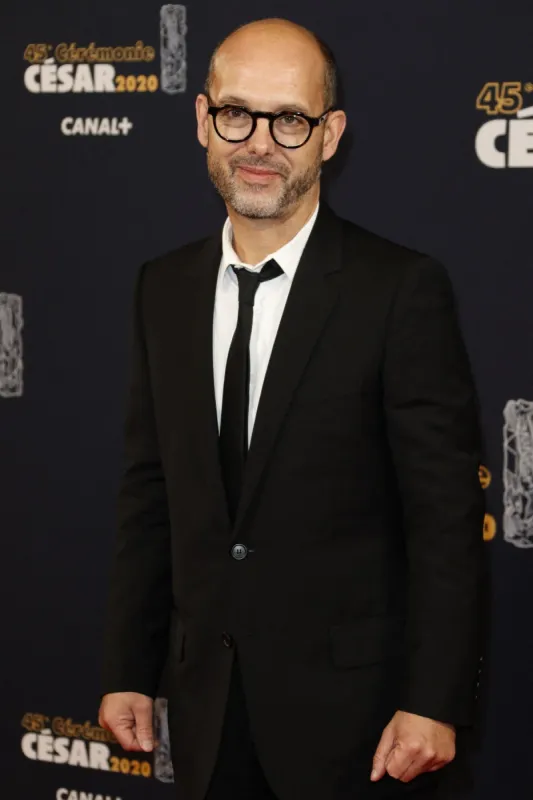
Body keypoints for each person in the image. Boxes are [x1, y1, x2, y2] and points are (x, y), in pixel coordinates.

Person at [98, 17, 488, 800]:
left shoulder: (399, 290)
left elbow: (444, 519)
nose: (259, 143)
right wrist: (127, 672)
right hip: (205, 707)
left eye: (290, 120)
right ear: (204, 119)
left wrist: (433, 700)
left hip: (358, 724)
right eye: (237, 114)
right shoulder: (161, 288)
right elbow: (150, 496)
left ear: (329, 134)